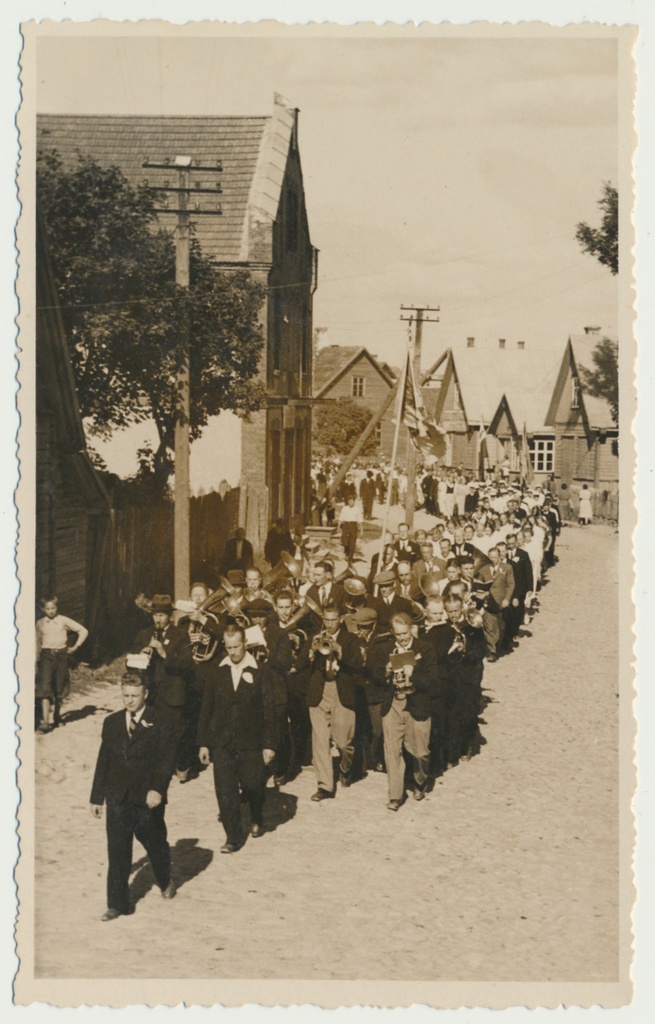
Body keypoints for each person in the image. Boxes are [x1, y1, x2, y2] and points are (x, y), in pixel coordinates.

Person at [90, 672, 177, 920]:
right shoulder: (112, 722)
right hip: (118, 796)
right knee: (117, 850)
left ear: (145, 694)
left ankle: (164, 878)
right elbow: (103, 760)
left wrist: (157, 788)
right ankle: (117, 903)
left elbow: (166, 760)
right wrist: (97, 797)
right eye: (125, 695)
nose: (129, 701)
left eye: (134, 696)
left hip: (147, 797)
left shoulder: (161, 720)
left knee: (154, 842)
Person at [197, 624, 276, 853]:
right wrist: (203, 742)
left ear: (245, 644)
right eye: (228, 647)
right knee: (225, 789)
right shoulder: (217, 671)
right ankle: (233, 836)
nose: (232, 652)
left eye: (237, 646)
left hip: (250, 741)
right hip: (222, 741)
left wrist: (269, 745)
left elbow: (269, 711)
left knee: (253, 784)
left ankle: (256, 814)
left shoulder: (260, 671)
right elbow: (206, 708)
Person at [367, 612, 437, 810]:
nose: (403, 638)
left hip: (417, 704)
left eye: (405, 633)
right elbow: (375, 677)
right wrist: (386, 671)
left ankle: (420, 781)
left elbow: (433, 679)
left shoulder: (425, 649)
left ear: (412, 630)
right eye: (398, 634)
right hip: (393, 704)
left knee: (420, 752)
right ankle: (395, 795)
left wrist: (413, 675)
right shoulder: (386, 649)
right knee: (391, 749)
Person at [304, 603, 364, 799]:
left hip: (341, 692)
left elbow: (357, 663)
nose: (329, 624)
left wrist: (339, 649)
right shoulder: (316, 636)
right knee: (320, 741)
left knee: (343, 741)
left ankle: (346, 767)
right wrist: (311, 653)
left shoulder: (350, 639)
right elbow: (301, 664)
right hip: (320, 692)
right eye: (326, 620)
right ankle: (325, 786)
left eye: (333, 620)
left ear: (340, 620)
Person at [131, 594, 191, 782]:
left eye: (162, 615)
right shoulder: (143, 634)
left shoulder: (180, 635)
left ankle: (182, 764)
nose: (158, 619)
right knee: (150, 730)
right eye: (155, 615)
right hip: (151, 692)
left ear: (169, 616)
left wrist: (164, 654)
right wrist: (141, 656)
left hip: (173, 692)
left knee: (178, 732)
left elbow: (188, 664)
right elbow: (130, 666)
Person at [35, 595, 88, 733]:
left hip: (61, 656)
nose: (51, 611)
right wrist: (36, 660)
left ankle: (57, 717)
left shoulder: (63, 620)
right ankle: (45, 722)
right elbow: (36, 643)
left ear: (57, 607)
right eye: (48, 608)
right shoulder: (40, 623)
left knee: (59, 687)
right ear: (42, 609)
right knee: (45, 687)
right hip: (46, 656)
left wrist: (76, 647)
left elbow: (83, 631)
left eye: (53, 607)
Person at [338, 493, 362, 562]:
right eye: (349, 501)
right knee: (345, 541)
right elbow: (341, 518)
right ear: (348, 501)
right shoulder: (345, 508)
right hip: (346, 526)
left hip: (353, 526)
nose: (351, 502)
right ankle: (346, 550)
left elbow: (359, 520)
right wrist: (338, 527)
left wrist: (361, 530)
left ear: (354, 501)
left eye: (352, 501)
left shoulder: (357, 509)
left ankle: (350, 559)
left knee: (352, 543)